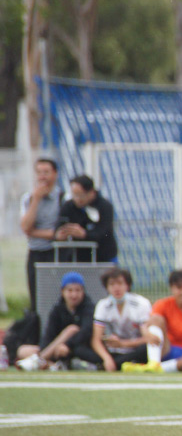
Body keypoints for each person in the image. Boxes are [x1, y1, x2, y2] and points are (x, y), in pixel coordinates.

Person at [15, 272, 100, 371]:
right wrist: (47, 347)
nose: (74, 295)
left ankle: (40, 360)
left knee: (72, 329)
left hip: (76, 348)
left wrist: (67, 345)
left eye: (77, 290)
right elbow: (49, 334)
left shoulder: (89, 309)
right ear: (62, 291)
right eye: (70, 290)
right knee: (23, 350)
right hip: (55, 349)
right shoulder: (57, 309)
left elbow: (86, 331)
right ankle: (49, 364)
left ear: (83, 291)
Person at [20, 158, 63, 309]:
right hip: (36, 252)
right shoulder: (29, 198)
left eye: (46, 172)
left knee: (56, 296)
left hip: (56, 252)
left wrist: (36, 232)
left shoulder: (63, 198)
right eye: (39, 173)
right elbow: (26, 228)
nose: (42, 177)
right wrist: (36, 199)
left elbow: (60, 233)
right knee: (36, 297)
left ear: (55, 174)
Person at [91, 267, 153, 372]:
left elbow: (147, 337)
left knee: (147, 349)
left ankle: (113, 364)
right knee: (82, 348)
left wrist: (122, 343)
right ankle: (114, 363)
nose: (116, 288)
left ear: (127, 285)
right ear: (106, 287)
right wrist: (107, 358)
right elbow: (96, 339)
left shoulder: (141, 303)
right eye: (112, 284)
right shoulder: (103, 305)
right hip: (112, 351)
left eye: (120, 283)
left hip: (134, 349)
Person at [55, 174, 118, 263]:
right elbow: (59, 226)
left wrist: (85, 234)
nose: (77, 199)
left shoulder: (104, 206)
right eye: (74, 195)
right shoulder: (68, 206)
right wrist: (60, 234)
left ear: (91, 192)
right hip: (77, 257)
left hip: (103, 256)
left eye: (80, 195)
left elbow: (104, 231)